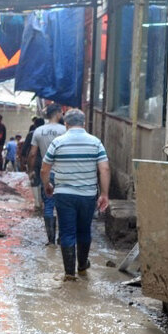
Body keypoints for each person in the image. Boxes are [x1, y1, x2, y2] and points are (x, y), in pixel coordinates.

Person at [41, 109, 110, 280]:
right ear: (84, 123)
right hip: (88, 195)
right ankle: (82, 266)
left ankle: (69, 273)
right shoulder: (95, 142)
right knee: (84, 230)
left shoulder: (58, 142)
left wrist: (47, 185)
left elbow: (44, 168)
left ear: (66, 124)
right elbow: (105, 168)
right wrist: (105, 194)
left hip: (64, 195)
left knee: (67, 232)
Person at [30, 104, 66, 244]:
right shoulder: (65, 130)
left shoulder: (39, 131)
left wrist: (31, 170)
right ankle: (62, 237)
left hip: (47, 172)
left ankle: (50, 240)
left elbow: (33, 154)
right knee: (64, 205)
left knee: (49, 205)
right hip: (63, 173)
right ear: (57, 114)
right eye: (61, 113)